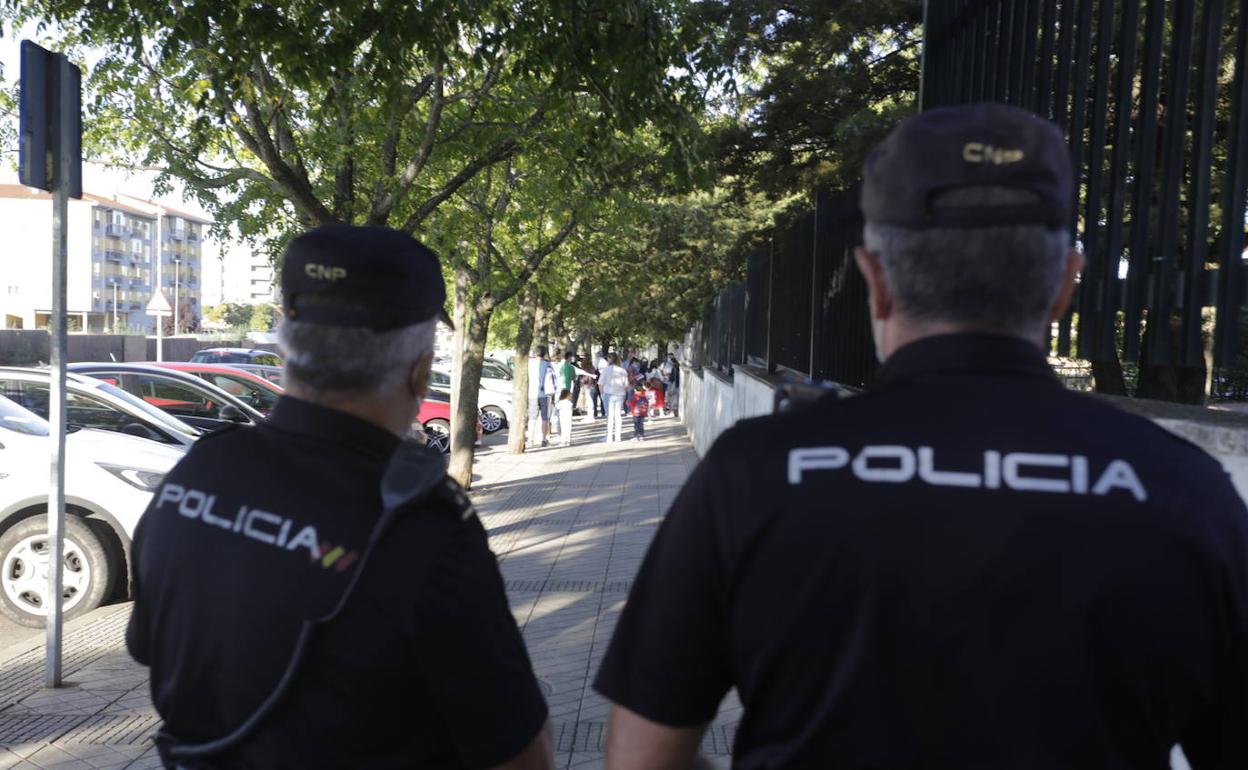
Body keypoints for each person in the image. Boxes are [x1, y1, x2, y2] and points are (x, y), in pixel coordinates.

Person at [594, 104, 1248, 768]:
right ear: (1064, 285)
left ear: (875, 283)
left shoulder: (752, 474)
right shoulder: (1186, 496)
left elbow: (642, 757)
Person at [127, 224, 553, 768]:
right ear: (421, 372)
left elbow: (147, 647)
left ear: (287, 347)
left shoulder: (200, 471)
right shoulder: (423, 528)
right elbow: (522, 756)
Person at [527, 345, 557, 448]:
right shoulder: (548, 364)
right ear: (544, 353)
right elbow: (554, 377)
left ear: (535, 353)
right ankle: (544, 439)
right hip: (545, 394)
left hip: (532, 393)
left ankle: (530, 440)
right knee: (545, 418)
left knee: (532, 418)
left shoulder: (529, 364)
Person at [597, 353, 629, 443]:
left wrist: (602, 394)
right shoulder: (623, 371)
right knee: (618, 416)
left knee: (610, 416)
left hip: (608, 394)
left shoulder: (606, 370)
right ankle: (618, 437)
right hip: (620, 394)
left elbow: (600, 384)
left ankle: (609, 436)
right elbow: (626, 385)